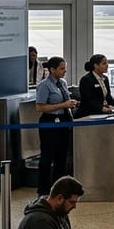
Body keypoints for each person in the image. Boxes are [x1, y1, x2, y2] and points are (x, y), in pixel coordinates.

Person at [34, 56, 77, 197]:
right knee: (47, 156)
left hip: (64, 121)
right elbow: (40, 107)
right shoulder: (44, 85)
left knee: (61, 156)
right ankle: (43, 189)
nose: (65, 71)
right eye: (62, 68)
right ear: (52, 70)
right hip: (50, 121)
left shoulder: (63, 83)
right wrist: (62, 105)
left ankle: (58, 187)